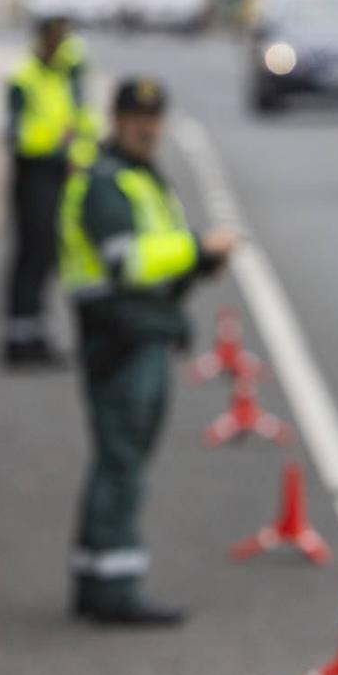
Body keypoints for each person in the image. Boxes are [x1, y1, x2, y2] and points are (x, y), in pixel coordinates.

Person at [58, 77, 241, 625]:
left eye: (156, 119)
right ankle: (113, 590)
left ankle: (96, 576)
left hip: (144, 333)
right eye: (138, 119)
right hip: (119, 339)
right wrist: (195, 248)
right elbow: (128, 261)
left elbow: (163, 258)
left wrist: (199, 262)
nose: (148, 128)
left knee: (120, 462)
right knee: (122, 466)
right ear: (115, 119)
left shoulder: (142, 179)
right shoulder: (106, 183)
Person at [2, 16, 89, 367]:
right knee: (31, 254)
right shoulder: (23, 77)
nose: (60, 44)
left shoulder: (66, 72)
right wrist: (57, 147)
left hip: (60, 175)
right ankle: (18, 338)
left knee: (49, 255)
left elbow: (79, 117)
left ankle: (36, 334)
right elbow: (15, 135)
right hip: (34, 172)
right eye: (55, 37)